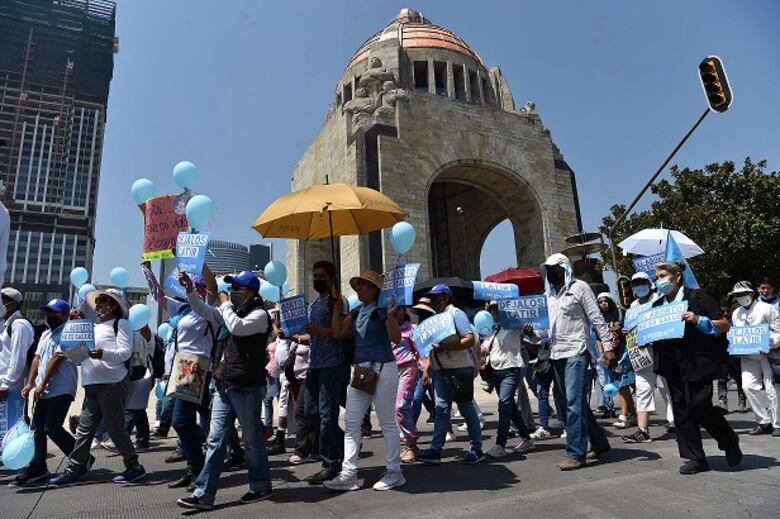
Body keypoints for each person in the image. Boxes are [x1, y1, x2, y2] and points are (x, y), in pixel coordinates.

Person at [177, 271, 273, 510]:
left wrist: (226, 304)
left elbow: (237, 328)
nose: (232, 292)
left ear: (250, 292)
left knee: (251, 440)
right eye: (231, 288)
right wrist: (190, 289)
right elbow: (204, 311)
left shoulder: (259, 315)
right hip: (223, 383)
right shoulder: (229, 312)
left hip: (246, 386)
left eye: (238, 288)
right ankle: (204, 493)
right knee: (215, 439)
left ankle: (260, 485)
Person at [650, 261, 741, 474]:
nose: (659, 281)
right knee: (682, 411)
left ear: (677, 276)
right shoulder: (656, 307)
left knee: (699, 405)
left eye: (662, 275)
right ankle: (696, 458)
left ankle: (728, 439)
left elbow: (724, 324)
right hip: (671, 365)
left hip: (697, 363)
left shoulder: (696, 297)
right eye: (657, 277)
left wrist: (698, 319)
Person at [49, 289, 146, 486]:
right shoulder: (91, 327)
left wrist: (103, 354)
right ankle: (75, 469)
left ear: (114, 306)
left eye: (104, 301)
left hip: (111, 382)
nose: (99, 304)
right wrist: (69, 353)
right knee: (85, 430)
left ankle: (134, 466)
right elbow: (82, 355)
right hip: (91, 383)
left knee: (115, 428)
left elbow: (125, 353)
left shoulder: (121, 324)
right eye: (99, 301)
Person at [524, 253, 612, 471]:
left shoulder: (579, 287)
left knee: (573, 402)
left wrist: (608, 347)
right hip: (556, 354)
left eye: (554, 269)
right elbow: (545, 331)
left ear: (564, 268)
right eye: (548, 269)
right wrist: (531, 333)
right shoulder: (547, 296)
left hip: (577, 351)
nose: (551, 273)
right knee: (572, 403)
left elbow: (596, 318)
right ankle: (600, 442)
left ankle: (576, 453)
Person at [323, 271, 405, 491]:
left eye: (363, 286)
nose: (358, 289)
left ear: (374, 289)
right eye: (357, 286)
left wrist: (390, 317)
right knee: (351, 422)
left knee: (386, 421)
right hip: (361, 371)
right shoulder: (358, 312)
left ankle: (395, 472)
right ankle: (348, 474)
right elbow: (338, 332)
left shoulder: (383, 310)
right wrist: (336, 306)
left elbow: (396, 338)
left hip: (383, 368)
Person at [288, 260, 347, 484]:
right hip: (315, 365)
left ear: (331, 278)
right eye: (315, 275)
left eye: (322, 275)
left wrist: (318, 329)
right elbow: (311, 336)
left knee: (326, 416)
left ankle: (330, 465)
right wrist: (292, 336)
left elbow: (339, 332)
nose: (317, 279)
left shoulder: (337, 302)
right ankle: (346, 443)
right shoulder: (313, 304)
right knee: (308, 411)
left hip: (332, 364)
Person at [416, 284, 484, 465]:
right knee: (441, 410)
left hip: (459, 369)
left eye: (436, 296)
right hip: (441, 371)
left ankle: (476, 448)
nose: (433, 300)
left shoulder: (456, 314)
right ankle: (435, 450)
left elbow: (468, 339)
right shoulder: (436, 318)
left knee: (466, 409)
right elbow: (432, 347)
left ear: (445, 297)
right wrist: (429, 368)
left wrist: (446, 347)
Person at [14, 299, 77, 486]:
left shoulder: (69, 331)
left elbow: (58, 358)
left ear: (65, 315)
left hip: (62, 387)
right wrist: (30, 383)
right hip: (44, 388)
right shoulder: (46, 334)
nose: (49, 315)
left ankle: (81, 459)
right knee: (37, 429)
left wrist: (41, 384)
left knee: (52, 427)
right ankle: (38, 469)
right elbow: (37, 358)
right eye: (48, 312)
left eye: (54, 312)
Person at [621, 273, 675, 443]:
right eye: (635, 284)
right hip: (640, 355)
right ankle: (642, 430)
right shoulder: (632, 307)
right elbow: (628, 327)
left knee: (667, 388)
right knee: (642, 390)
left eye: (641, 283)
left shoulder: (659, 300)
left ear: (649, 283)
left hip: (660, 351)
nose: (638, 286)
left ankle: (675, 422)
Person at [481, 303, 535, 458]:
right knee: (509, 406)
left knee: (504, 404)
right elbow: (486, 346)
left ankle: (500, 444)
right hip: (496, 370)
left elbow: (532, 335)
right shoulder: (494, 329)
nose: (495, 311)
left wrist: (529, 331)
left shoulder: (514, 325)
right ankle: (526, 439)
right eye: (492, 309)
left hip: (511, 368)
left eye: (498, 308)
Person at [728, 281, 780, 436]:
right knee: (748, 387)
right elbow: (735, 334)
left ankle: (777, 424)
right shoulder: (736, 313)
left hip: (768, 355)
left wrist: (769, 343)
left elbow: (778, 331)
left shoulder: (767, 309)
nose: (740, 297)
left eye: (743, 294)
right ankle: (764, 421)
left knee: (773, 389)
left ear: (751, 293)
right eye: (737, 295)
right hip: (747, 356)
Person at [595, 292, 636, 429]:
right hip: (609, 356)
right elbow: (598, 338)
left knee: (623, 384)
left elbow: (631, 329)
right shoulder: (599, 319)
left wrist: (627, 332)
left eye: (606, 301)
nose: (603, 304)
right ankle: (634, 414)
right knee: (621, 385)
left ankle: (623, 416)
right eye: (600, 302)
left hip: (623, 353)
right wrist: (602, 354)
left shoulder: (620, 314)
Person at [391, 307, 420, 463]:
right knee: (393, 411)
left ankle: (410, 444)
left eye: (398, 310)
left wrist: (426, 369)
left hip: (408, 369)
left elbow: (420, 352)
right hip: (390, 370)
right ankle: (406, 442)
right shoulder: (387, 326)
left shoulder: (411, 329)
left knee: (401, 407)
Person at [0, 288, 35, 406]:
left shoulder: (19, 325)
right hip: (5, 385)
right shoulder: (8, 324)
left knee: (14, 423)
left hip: (11, 389)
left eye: (2, 302)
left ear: (13, 303)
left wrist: (7, 384)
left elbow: (18, 356)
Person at [124, 326, 154, 451]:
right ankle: (143, 440)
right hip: (140, 374)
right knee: (139, 410)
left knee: (131, 409)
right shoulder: (132, 335)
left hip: (141, 374)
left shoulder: (145, 336)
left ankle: (121, 442)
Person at [717, 300, 747, 414]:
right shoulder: (717, 323)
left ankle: (742, 401)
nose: (725, 313)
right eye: (723, 311)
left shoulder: (735, 323)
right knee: (722, 378)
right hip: (722, 354)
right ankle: (722, 402)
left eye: (727, 311)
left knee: (738, 378)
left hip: (735, 354)